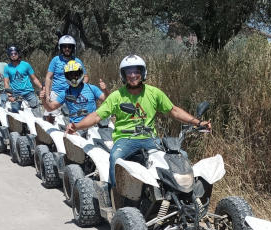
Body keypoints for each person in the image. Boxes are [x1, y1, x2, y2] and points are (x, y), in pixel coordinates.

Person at [66, 55, 211, 187]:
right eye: (128, 72)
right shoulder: (116, 96)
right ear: (123, 75)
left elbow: (174, 111)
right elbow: (97, 116)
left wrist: (197, 122)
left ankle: (183, 196)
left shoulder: (154, 93)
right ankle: (115, 195)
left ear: (143, 73)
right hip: (125, 139)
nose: (133, 75)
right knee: (115, 158)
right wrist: (76, 126)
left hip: (150, 139)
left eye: (136, 71)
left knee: (181, 156)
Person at [45, 60, 107, 125]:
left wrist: (105, 90)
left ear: (80, 74)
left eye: (75, 75)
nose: (73, 78)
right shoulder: (65, 93)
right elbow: (51, 108)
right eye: (70, 75)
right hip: (75, 127)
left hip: (92, 125)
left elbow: (106, 99)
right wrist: (44, 98)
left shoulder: (92, 88)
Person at [43, 35, 88, 115]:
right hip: (56, 93)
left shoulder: (77, 61)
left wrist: (80, 90)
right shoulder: (55, 60)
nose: (67, 49)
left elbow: (85, 77)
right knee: (50, 117)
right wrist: (47, 95)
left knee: (74, 117)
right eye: (64, 46)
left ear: (73, 48)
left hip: (72, 94)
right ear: (61, 48)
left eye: (69, 47)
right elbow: (48, 77)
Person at [3, 45, 44, 115]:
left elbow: (34, 79)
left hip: (28, 92)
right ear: (9, 56)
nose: (13, 55)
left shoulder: (26, 65)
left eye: (15, 53)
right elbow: (6, 82)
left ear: (18, 54)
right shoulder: (7, 68)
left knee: (37, 112)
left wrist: (42, 88)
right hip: (15, 93)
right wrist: (9, 95)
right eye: (11, 54)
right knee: (15, 115)